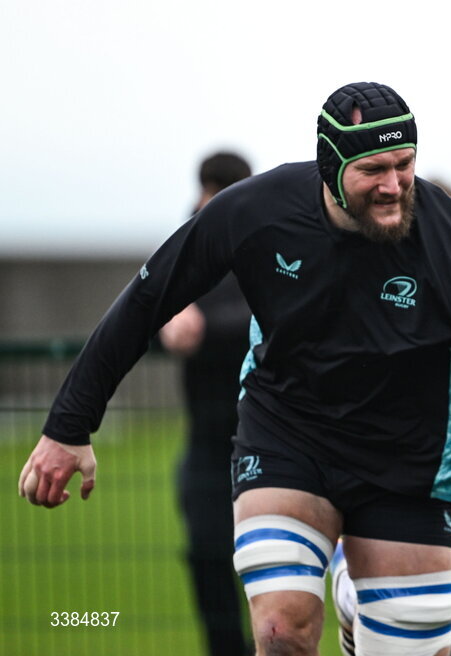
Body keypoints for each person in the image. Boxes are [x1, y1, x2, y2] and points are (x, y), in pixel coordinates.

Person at [18, 82, 451, 656]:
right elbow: (147, 301)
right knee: (281, 631)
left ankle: (352, 591)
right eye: (373, 169)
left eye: (405, 165)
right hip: (286, 436)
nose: (394, 186)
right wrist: (70, 426)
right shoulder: (254, 210)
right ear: (330, 165)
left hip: (406, 460)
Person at [159, 151, 253, 656]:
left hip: (263, 438)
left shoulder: (263, 242)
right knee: (205, 558)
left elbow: (263, 317)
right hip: (204, 441)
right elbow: (145, 312)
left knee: (270, 571)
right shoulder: (186, 247)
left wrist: (202, 323)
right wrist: (169, 322)